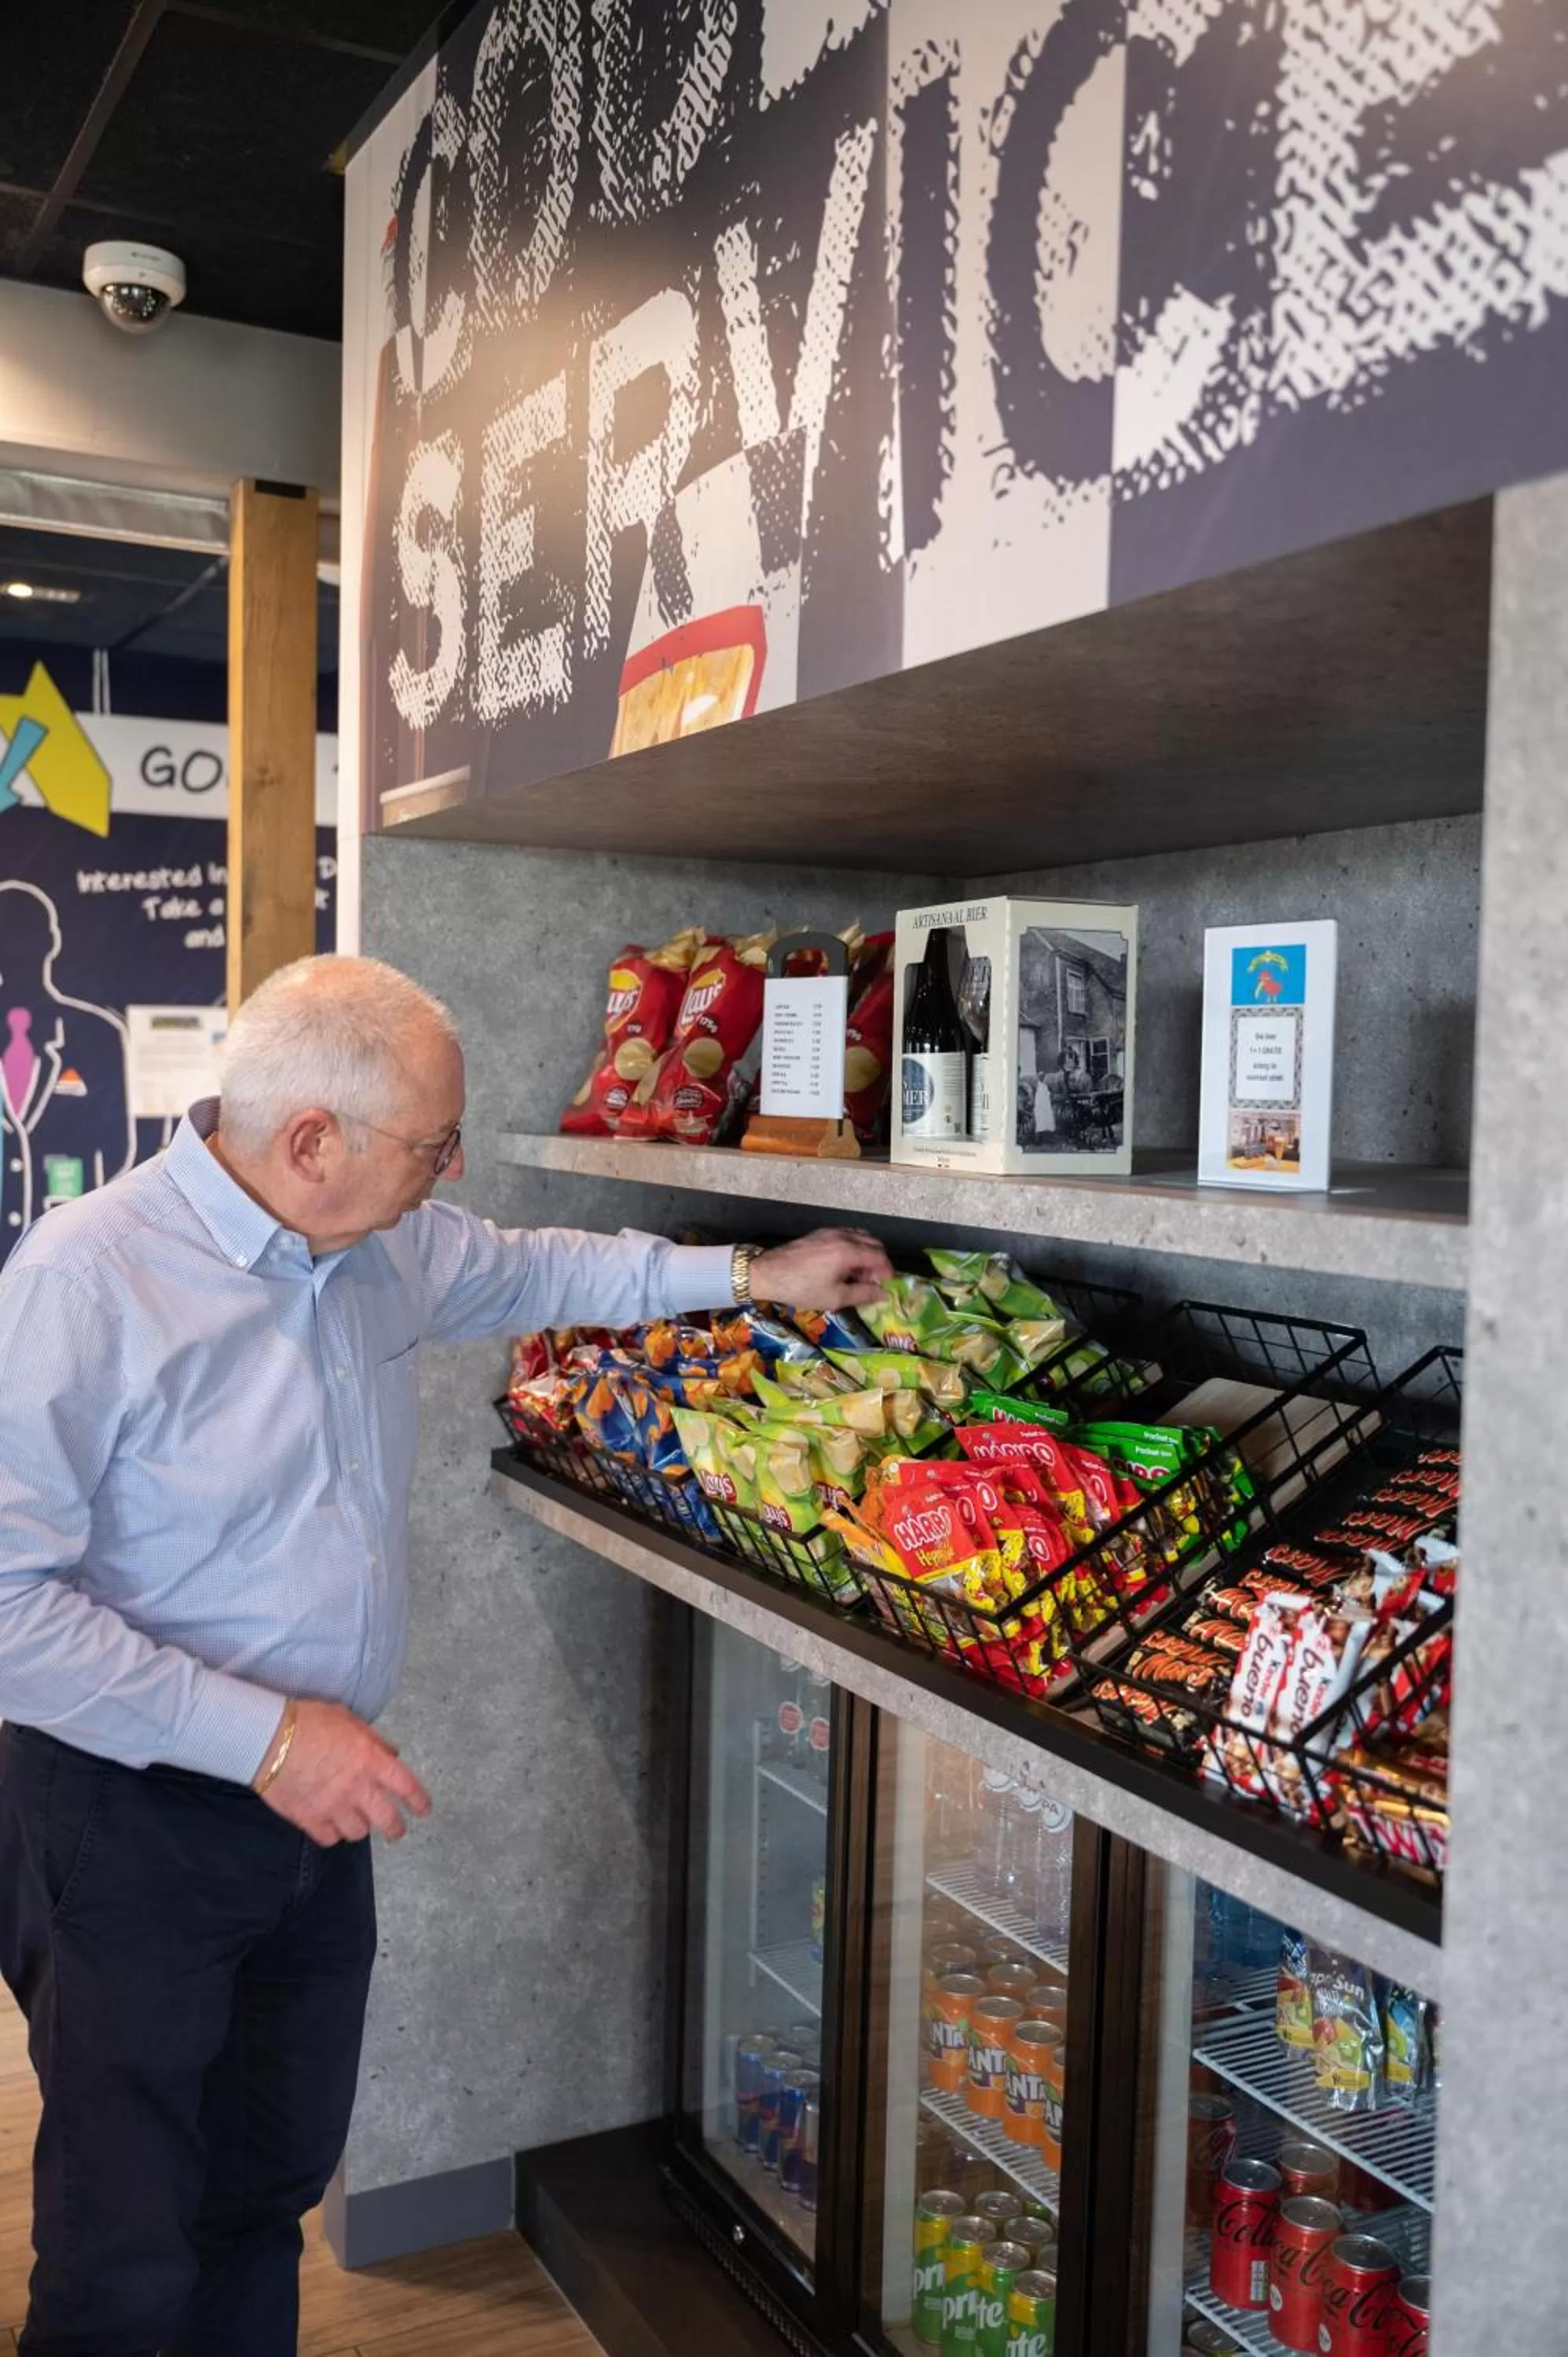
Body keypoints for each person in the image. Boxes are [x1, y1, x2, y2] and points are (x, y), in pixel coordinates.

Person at [0, 953, 892, 2357]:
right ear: (312, 1141)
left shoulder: (383, 1247)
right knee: (126, 2243)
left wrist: (753, 1276)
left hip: (317, 1824)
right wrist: (269, 1741)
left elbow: (543, 1265)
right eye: (434, 1145)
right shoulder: (86, 1278)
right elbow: (8, 1611)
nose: (449, 1172)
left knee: (264, 2194)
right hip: (128, 1821)